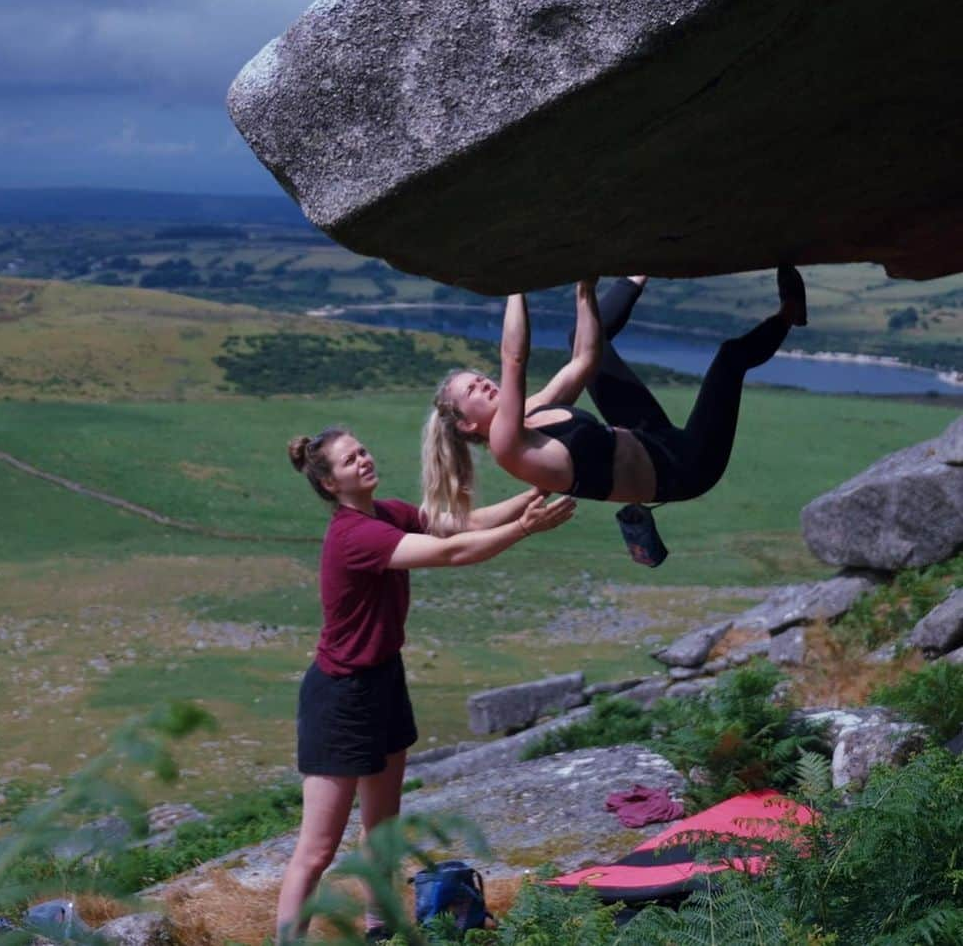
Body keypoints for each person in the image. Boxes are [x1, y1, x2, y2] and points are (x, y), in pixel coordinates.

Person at [276, 428, 575, 944]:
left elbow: (462, 524)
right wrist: (525, 529)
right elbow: (452, 553)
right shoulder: (354, 535)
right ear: (329, 483)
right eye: (350, 460)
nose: (364, 459)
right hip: (340, 697)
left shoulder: (386, 512)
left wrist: (532, 496)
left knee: (382, 830)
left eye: (363, 450)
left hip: (385, 681)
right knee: (317, 850)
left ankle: (380, 931)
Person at [423, 266, 808, 521]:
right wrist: (514, 286)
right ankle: (789, 313)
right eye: (472, 389)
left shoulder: (533, 410)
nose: (483, 382)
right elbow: (514, 358)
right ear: (468, 423)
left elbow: (585, 360)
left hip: (648, 436)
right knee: (730, 358)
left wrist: (585, 288)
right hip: (685, 467)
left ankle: (639, 269)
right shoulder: (508, 446)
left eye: (478, 377)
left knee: (583, 338)